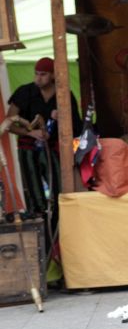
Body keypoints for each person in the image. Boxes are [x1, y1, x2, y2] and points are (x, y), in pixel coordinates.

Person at [7, 57, 81, 257]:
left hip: (53, 149)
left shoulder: (64, 95)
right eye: (37, 74)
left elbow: (76, 127)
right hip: (29, 149)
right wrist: (30, 132)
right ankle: (40, 248)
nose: (38, 78)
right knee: (36, 200)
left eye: (43, 74)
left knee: (59, 196)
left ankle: (60, 244)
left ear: (53, 75)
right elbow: (9, 122)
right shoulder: (25, 92)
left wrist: (61, 117)